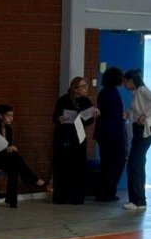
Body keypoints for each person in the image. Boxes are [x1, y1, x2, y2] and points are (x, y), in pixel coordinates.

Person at [0, 104, 46, 208]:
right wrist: (7, 149)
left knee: (14, 165)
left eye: (12, 115)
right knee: (15, 158)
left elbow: (8, 145)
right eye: (8, 115)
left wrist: (10, 147)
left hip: (5, 159)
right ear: (0, 116)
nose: (11, 118)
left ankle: (11, 201)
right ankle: (31, 179)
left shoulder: (9, 129)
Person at [51, 76, 98, 204]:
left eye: (86, 86)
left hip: (79, 136)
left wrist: (92, 116)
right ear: (75, 89)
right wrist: (60, 119)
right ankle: (61, 196)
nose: (85, 89)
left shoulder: (86, 101)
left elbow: (88, 121)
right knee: (63, 166)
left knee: (78, 166)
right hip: (64, 136)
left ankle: (76, 197)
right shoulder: (63, 100)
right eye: (82, 86)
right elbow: (55, 117)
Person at [93, 67, 126, 202]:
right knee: (117, 161)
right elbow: (113, 115)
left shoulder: (104, 91)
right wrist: (122, 117)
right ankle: (108, 191)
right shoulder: (112, 93)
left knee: (107, 162)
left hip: (104, 132)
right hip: (113, 133)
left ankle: (105, 192)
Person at [122, 68, 151, 210]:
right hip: (138, 131)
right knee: (136, 164)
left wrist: (145, 115)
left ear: (131, 81)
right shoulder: (136, 93)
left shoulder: (142, 90)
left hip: (143, 131)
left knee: (134, 163)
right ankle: (138, 200)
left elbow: (144, 110)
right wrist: (128, 114)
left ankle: (137, 200)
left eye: (125, 82)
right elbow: (137, 111)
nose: (124, 85)